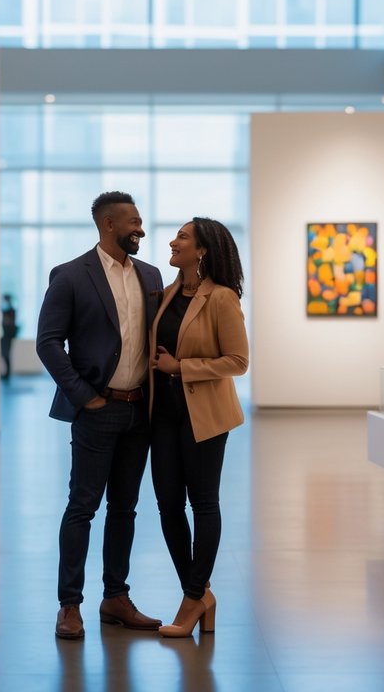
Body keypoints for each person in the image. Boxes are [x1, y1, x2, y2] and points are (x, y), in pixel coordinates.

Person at [36, 191, 165, 640]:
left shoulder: (151, 276)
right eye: (133, 222)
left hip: (138, 413)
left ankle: (116, 597)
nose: (141, 229)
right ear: (108, 224)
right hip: (97, 409)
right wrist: (84, 396)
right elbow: (48, 343)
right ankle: (69, 606)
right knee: (82, 507)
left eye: (141, 221)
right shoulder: (71, 276)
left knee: (125, 508)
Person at [149, 217, 249, 638]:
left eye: (183, 237)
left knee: (203, 503)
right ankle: (201, 593)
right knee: (168, 505)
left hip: (204, 416)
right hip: (163, 416)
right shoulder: (168, 293)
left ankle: (192, 599)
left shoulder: (222, 298)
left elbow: (238, 362)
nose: (173, 241)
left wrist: (180, 367)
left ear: (203, 250)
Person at [0, 293, 18, 380]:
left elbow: (9, 323)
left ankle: (7, 374)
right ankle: (6, 374)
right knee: (4, 355)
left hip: (7, 336)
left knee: (6, 355)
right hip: (5, 336)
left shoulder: (11, 311)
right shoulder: (8, 311)